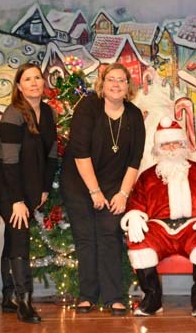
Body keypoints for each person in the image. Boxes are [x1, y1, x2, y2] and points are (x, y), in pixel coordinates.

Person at [60, 62, 145, 316]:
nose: (116, 84)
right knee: (86, 238)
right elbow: (79, 151)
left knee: (109, 235)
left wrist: (123, 194)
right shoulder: (88, 107)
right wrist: (94, 191)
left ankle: (114, 297)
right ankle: (87, 295)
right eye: (111, 79)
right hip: (79, 182)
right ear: (102, 84)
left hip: (114, 185)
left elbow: (135, 160)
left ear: (128, 86)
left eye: (121, 80)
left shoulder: (134, 114)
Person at [121, 117, 196, 317]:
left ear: (183, 144)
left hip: (192, 227)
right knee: (139, 241)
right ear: (158, 148)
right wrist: (134, 215)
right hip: (159, 228)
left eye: (175, 142)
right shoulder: (147, 176)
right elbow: (137, 202)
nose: (171, 147)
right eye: (165, 143)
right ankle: (152, 298)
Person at [0, 63, 58, 324]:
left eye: (37, 78)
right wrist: (17, 200)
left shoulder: (48, 113)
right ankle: (24, 303)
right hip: (5, 181)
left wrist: (43, 188)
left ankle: (8, 297)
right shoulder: (13, 114)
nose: (33, 82)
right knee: (19, 233)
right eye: (27, 79)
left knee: (12, 234)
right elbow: (9, 160)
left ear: (43, 83)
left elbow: (51, 155)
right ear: (19, 86)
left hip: (29, 181)